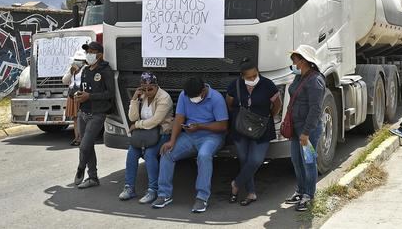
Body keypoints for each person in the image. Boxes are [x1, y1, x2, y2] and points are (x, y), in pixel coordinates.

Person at [152, 76, 228, 213]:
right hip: (190, 135)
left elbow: (222, 126)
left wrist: (200, 126)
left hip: (212, 137)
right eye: (190, 97)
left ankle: (202, 197)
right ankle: (164, 194)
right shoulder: (184, 95)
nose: (193, 99)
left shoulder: (216, 98)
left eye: (195, 96)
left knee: (204, 155)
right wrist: (172, 141)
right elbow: (179, 118)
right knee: (167, 152)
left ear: (203, 90)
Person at [226, 58, 282, 206]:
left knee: (256, 160)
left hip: (262, 128)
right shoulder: (235, 85)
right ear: (242, 75)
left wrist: (267, 116)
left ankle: (236, 184)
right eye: (249, 77)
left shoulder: (267, 84)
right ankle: (251, 193)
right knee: (244, 160)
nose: (253, 79)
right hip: (240, 128)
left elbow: (277, 105)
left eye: (255, 75)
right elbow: (230, 103)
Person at [119, 72, 173, 204]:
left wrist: (137, 125)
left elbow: (156, 121)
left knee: (150, 154)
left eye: (151, 89)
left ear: (156, 86)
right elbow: (132, 117)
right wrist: (134, 99)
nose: (148, 92)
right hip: (144, 133)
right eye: (144, 89)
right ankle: (129, 187)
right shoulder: (142, 96)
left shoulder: (164, 98)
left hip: (161, 132)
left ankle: (152, 190)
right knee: (132, 153)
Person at [283, 44, 325, 212]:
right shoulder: (299, 77)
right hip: (296, 128)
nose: (293, 60)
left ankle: (309, 195)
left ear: (304, 60)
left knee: (308, 162)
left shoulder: (315, 80)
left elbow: (315, 109)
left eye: (295, 58)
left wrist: (306, 133)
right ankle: (300, 191)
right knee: (296, 160)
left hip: (309, 130)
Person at [73, 41, 114, 189]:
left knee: (84, 146)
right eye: (87, 51)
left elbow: (110, 93)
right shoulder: (85, 70)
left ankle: (80, 168)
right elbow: (82, 88)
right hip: (83, 112)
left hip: (97, 114)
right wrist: (78, 94)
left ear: (99, 54)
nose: (88, 54)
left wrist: (89, 96)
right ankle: (93, 177)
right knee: (87, 146)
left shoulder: (105, 71)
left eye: (92, 51)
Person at [62, 50, 87, 146]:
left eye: (79, 60)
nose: (77, 61)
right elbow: (64, 80)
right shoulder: (72, 69)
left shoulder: (86, 69)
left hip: (81, 94)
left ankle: (82, 137)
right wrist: (71, 72)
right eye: (76, 59)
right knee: (75, 118)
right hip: (72, 94)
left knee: (82, 117)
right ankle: (77, 137)